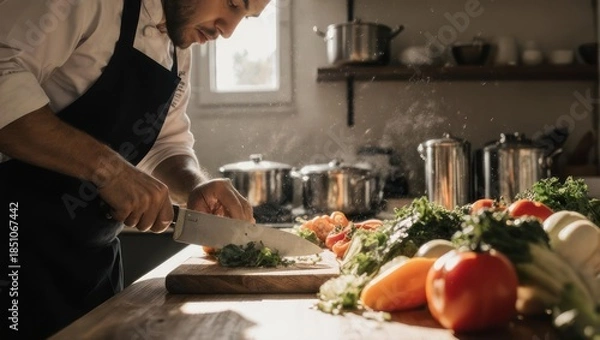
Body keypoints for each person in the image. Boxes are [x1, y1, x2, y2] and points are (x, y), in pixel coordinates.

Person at [0, 0, 270, 338]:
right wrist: (109, 170)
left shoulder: (177, 44)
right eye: (233, 4)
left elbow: (164, 143)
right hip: (13, 252)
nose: (229, 30)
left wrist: (195, 185)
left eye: (247, 17)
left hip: (93, 271)